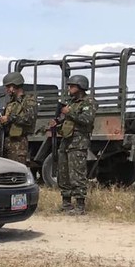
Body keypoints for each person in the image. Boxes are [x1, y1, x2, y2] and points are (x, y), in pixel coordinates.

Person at [51, 74, 97, 216]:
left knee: (77, 173)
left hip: (78, 142)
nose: (69, 88)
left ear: (80, 87)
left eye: (72, 86)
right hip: (66, 141)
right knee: (63, 173)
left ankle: (80, 205)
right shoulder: (71, 102)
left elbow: (87, 119)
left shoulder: (89, 102)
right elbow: (66, 122)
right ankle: (66, 203)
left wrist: (69, 112)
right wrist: (56, 124)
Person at [0, 72, 36, 165]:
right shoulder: (10, 103)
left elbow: (29, 119)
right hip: (6, 143)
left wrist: (10, 118)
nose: (7, 90)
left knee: (16, 173)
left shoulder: (29, 101)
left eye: (8, 87)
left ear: (14, 86)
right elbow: (5, 125)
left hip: (18, 144)